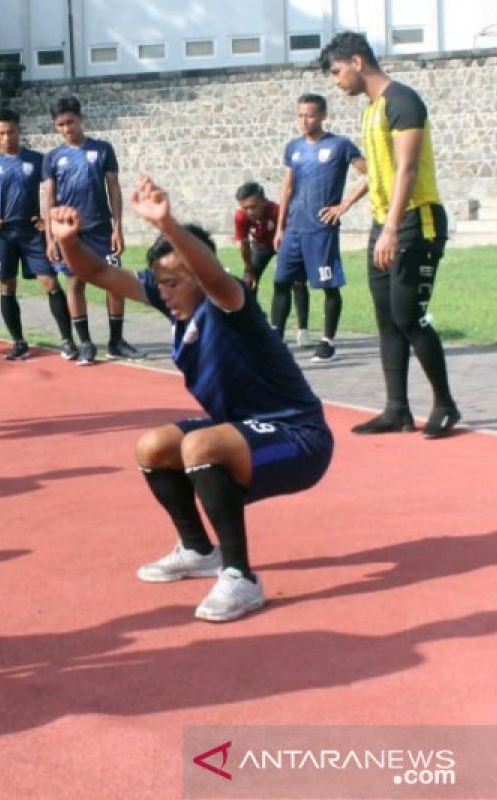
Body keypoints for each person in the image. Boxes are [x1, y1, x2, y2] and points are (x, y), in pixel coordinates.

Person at [49, 175, 333, 622]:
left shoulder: (230, 302)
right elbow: (98, 272)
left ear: (198, 278)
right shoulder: (171, 299)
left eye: (173, 282)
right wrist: (67, 241)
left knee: (199, 446)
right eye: (160, 283)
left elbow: (211, 273)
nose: (165, 291)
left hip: (299, 437)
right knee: (154, 446)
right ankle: (200, 550)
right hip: (240, 433)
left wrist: (167, 224)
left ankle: (240, 577)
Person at [319, 31, 460, 438]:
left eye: (337, 71)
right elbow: (379, 172)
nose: (336, 81)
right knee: (386, 319)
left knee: (408, 315)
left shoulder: (403, 102)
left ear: (357, 62)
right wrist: (355, 205)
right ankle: (397, 409)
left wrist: (393, 228)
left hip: (417, 221)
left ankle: (445, 404)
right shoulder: (371, 110)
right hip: (386, 222)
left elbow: (408, 169)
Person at [0, 108, 77, 361]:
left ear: (19, 131)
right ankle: (18, 342)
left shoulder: (37, 160)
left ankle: (68, 341)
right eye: (1, 133)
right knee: (6, 285)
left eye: (11, 132)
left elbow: (52, 191)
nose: (7, 137)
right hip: (4, 235)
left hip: (32, 233)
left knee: (49, 282)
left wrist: (49, 219)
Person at [41, 96, 143, 366]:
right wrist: (51, 237)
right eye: (60, 124)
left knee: (115, 283)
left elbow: (114, 189)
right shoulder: (52, 158)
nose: (66, 128)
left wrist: (118, 227)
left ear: (80, 119)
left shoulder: (102, 149)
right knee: (75, 283)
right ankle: (85, 343)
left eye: (70, 122)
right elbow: (49, 200)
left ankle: (116, 341)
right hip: (71, 234)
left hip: (101, 229)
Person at [272, 93, 367, 363]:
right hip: (294, 229)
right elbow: (287, 188)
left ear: (323, 115)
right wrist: (280, 228)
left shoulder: (340, 146)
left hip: (321, 229)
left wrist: (344, 205)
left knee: (327, 285)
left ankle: (327, 342)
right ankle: (276, 338)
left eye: (310, 115)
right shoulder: (293, 147)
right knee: (281, 282)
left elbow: (371, 174)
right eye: (300, 115)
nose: (304, 120)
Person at [233, 181, 312, 347]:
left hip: (286, 246)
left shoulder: (277, 211)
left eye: (253, 207)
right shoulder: (241, 217)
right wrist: (249, 268)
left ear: (263, 201)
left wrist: (297, 263)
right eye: (245, 208)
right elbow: (244, 244)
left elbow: (296, 236)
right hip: (261, 247)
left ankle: (302, 330)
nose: (249, 212)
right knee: (247, 284)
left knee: (296, 283)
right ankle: (252, 326)